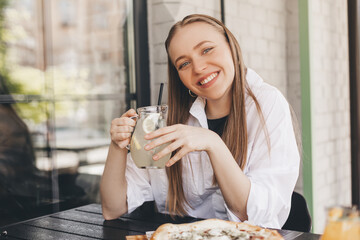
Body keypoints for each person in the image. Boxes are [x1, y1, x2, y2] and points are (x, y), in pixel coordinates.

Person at [100, 14, 300, 229]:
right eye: (184, 63)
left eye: (206, 50)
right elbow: (112, 209)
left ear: (231, 46)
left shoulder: (267, 104)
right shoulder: (169, 121)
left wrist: (212, 142)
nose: (198, 68)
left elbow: (250, 214)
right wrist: (117, 146)